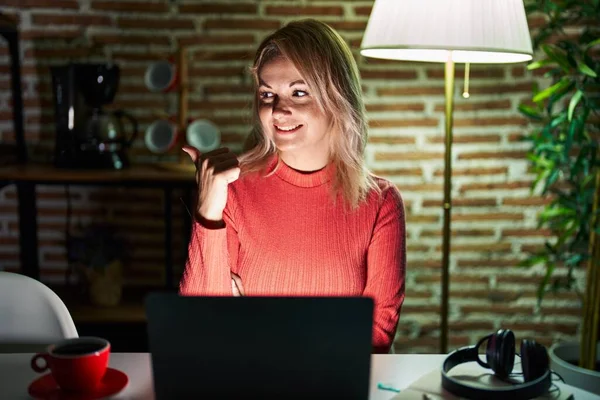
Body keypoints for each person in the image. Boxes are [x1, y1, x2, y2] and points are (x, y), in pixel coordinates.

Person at [179, 19, 406, 354]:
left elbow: (375, 338)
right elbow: (199, 325)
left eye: (299, 92)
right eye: (267, 93)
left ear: (337, 97)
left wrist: (254, 325)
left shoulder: (381, 202)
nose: (278, 110)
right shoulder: (232, 188)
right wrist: (208, 210)